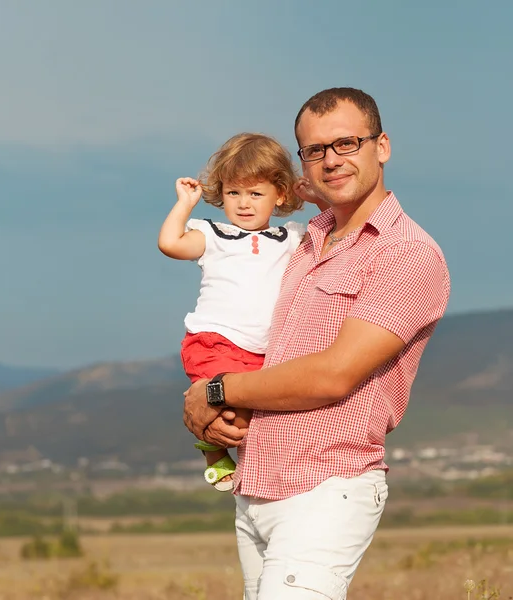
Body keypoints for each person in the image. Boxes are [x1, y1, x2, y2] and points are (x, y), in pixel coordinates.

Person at [183, 88, 451, 599]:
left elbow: (334, 374)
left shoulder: (406, 255)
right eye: (315, 150)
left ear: (383, 146)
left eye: (347, 143)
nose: (331, 160)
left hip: (326, 486)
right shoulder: (303, 239)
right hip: (257, 484)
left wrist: (214, 392)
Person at [159, 133, 324, 490]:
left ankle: (260, 469)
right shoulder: (213, 234)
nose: (244, 203)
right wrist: (185, 204)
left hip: (265, 350)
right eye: (234, 193)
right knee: (224, 410)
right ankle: (213, 454)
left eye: (256, 193)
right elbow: (170, 243)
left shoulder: (292, 237)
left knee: (251, 417)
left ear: (280, 194)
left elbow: (336, 231)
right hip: (214, 339)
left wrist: (311, 194)